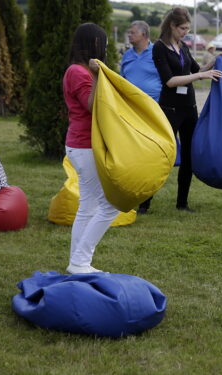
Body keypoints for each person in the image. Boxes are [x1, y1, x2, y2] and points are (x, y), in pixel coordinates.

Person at [147, 7, 222, 214]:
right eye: (183, 28)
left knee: (189, 156)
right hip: (170, 110)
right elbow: (170, 81)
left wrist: (215, 61)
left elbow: (198, 71)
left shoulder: (184, 47)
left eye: (188, 29)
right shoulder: (159, 48)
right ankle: (144, 202)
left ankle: (182, 203)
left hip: (189, 109)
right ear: (172, 25)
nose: (185, 32)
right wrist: (199, 77)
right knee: (161, 156)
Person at [62, 23, 119, 274]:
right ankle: (80, 261)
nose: (105, 48)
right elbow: (90, 105)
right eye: (102, 43)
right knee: (110, 205)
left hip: (82, 144)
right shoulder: (77, 72)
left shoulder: (80, 70)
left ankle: (78, 262)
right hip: (84, 145)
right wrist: (97, 76)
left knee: (88, 207)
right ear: (91, 44)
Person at [120, 20, 162, 102]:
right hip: (130, 105)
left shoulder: (158, 52)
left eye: (132, 33)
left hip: (153, 106)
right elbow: (122, 79)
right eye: (129, 32)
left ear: (143, 35)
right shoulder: (126, 55)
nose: (129, 35)